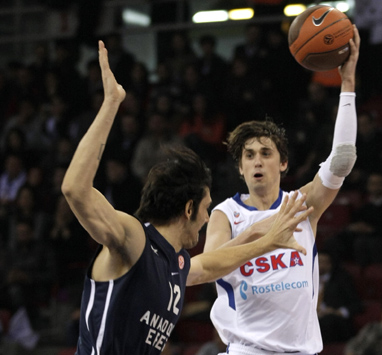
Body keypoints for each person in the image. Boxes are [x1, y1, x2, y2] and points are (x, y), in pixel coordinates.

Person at [63, 41, 314, 355]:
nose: (209, 218)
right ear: (188, 208)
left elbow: (212, 264)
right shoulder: (134, 237)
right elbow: (75, 189)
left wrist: (260, 234)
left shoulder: (176, 262)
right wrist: (111, 103)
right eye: (207, 207)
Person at [202, 26, 360, 355]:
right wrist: (258, 235)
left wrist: (346, 84)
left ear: (283, 163)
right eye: (249, 155)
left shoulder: (301, 205)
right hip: (248, 350)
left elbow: (343, 159)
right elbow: (208, 266)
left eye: (265, 153)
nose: (257, 160)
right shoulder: (225, 214)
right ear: (240, 168)